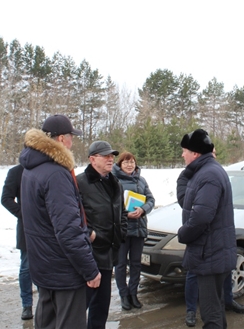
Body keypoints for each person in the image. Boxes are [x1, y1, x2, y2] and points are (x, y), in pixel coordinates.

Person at [19, 114, 101, 329]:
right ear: (62, 140)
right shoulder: (56, 174)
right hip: (63, 269)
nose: (73, 142)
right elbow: (68, 231)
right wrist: (90, 270)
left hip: (44, 264)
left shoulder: (32, 169)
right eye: (71, 137)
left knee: (47, 322)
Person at [177, 149, 244, 327]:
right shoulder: (206, 172)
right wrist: (185, 175)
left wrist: (183, 233)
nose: (182, 155)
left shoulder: (209, 175)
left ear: (195, 153)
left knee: (211, 314)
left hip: (209, 253)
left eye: (185, 151)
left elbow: (201, 216)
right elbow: (188, 201)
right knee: (215, 308)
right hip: (211, 252)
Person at [77, 141, 128, 329]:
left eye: (112, 155)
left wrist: (121, 232)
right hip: (89, 255)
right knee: (79, 307)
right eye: (105, 155)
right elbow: (73, 216)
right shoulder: (80, 182)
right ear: (92, 159)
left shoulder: (115, 183)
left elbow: (122, 212)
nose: (110, 159)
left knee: (101, 308)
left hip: (109, 255)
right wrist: (90, 234)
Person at [111, 151, 155, 311]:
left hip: (139, 228)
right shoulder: (114, 180)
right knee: (121, 264)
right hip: (122, 229)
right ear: (120, 164)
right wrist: (125, 213)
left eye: (132, 162)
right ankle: (124, 295)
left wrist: (143, 210)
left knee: (136, 264)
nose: (129, 165)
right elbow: (111, 203)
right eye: (126, 162)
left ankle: (133, 293)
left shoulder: (141, 180)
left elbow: (151, 199)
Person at [0, 163, 34, 320]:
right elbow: (6, 198)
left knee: (49, 265)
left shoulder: (49, 167)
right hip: (27, 228)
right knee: (27, 268)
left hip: (49, 228)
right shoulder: (17, 171)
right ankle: (27, 305)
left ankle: (47, 304)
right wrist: (24, 214)